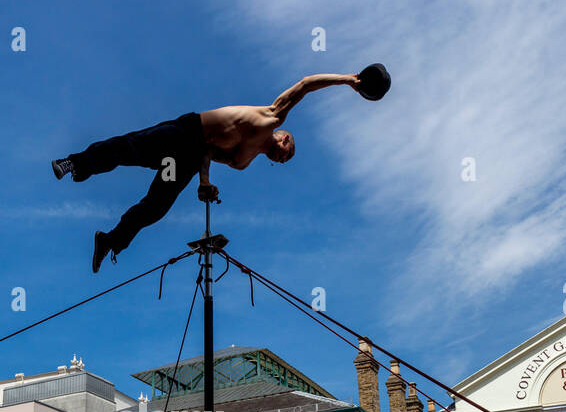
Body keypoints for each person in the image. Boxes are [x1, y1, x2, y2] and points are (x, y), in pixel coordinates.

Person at [53, 72, 365, 271]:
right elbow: (305, 86)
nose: (283, 160)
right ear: (284, 138)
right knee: (128, 148)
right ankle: (75, 164)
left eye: (285, 161)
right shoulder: (270, 118)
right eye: (288, 153)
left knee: (156, 206)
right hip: (184, 133)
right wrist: (348, 80)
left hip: (184, 160)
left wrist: (204, 182)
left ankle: (110, 240)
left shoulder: (243, 160)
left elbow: (209, 153)